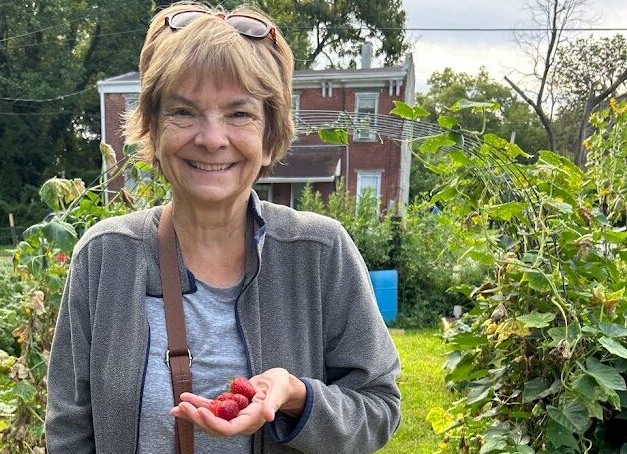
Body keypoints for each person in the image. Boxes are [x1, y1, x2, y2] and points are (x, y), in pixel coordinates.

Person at [45, 2, 401, 453]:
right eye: (184, 112)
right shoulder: (105, 256)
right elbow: (70, 432)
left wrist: (296, 397)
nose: (212, 139)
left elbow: (378, 407)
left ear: (271, 135)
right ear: (152, 131)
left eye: (239, 114)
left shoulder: (320, 252)